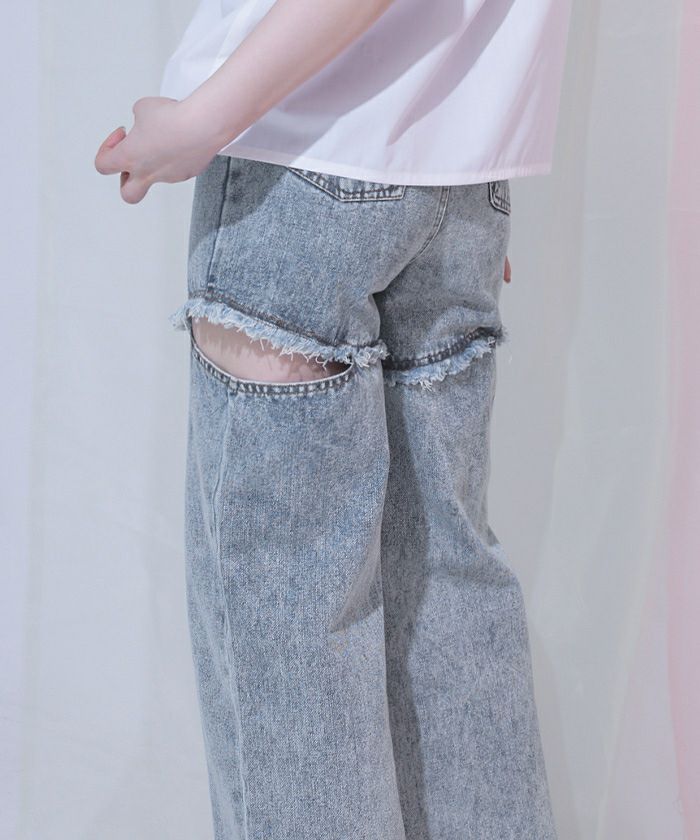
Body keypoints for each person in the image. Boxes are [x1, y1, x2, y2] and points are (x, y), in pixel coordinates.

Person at [94, 1, 572, 837]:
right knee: (449, 596)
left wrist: (202, 119)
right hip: (460, 183)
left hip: (298, 161)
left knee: (291, 623)